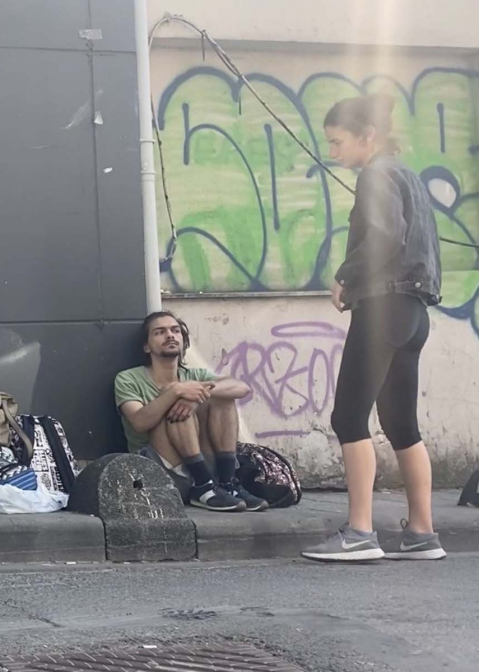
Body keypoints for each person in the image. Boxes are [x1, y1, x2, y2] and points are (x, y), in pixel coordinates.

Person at [302, 94, 445, 562]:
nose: (333, 152)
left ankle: (360, 533)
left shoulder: (376, 173)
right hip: (415, 312)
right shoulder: (410, 177)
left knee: (348, 417)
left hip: (383, 308)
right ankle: (422, 533)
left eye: (338, 142)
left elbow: (385, 234)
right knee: (402, 424)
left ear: (368, 137)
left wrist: (346, 276)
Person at [114, 311, 268, 512]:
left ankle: (227, 485)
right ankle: (203, 486)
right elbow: (139, 422)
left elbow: (241, 388)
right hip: (160, 471)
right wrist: (177, 391)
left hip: (202, 463)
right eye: (160, 332)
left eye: (175, 331)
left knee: (222, 399)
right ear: (146, 346)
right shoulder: (128, 379)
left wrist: (196, 397)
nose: (170, 335)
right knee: (177, 397)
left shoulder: (195, 375)